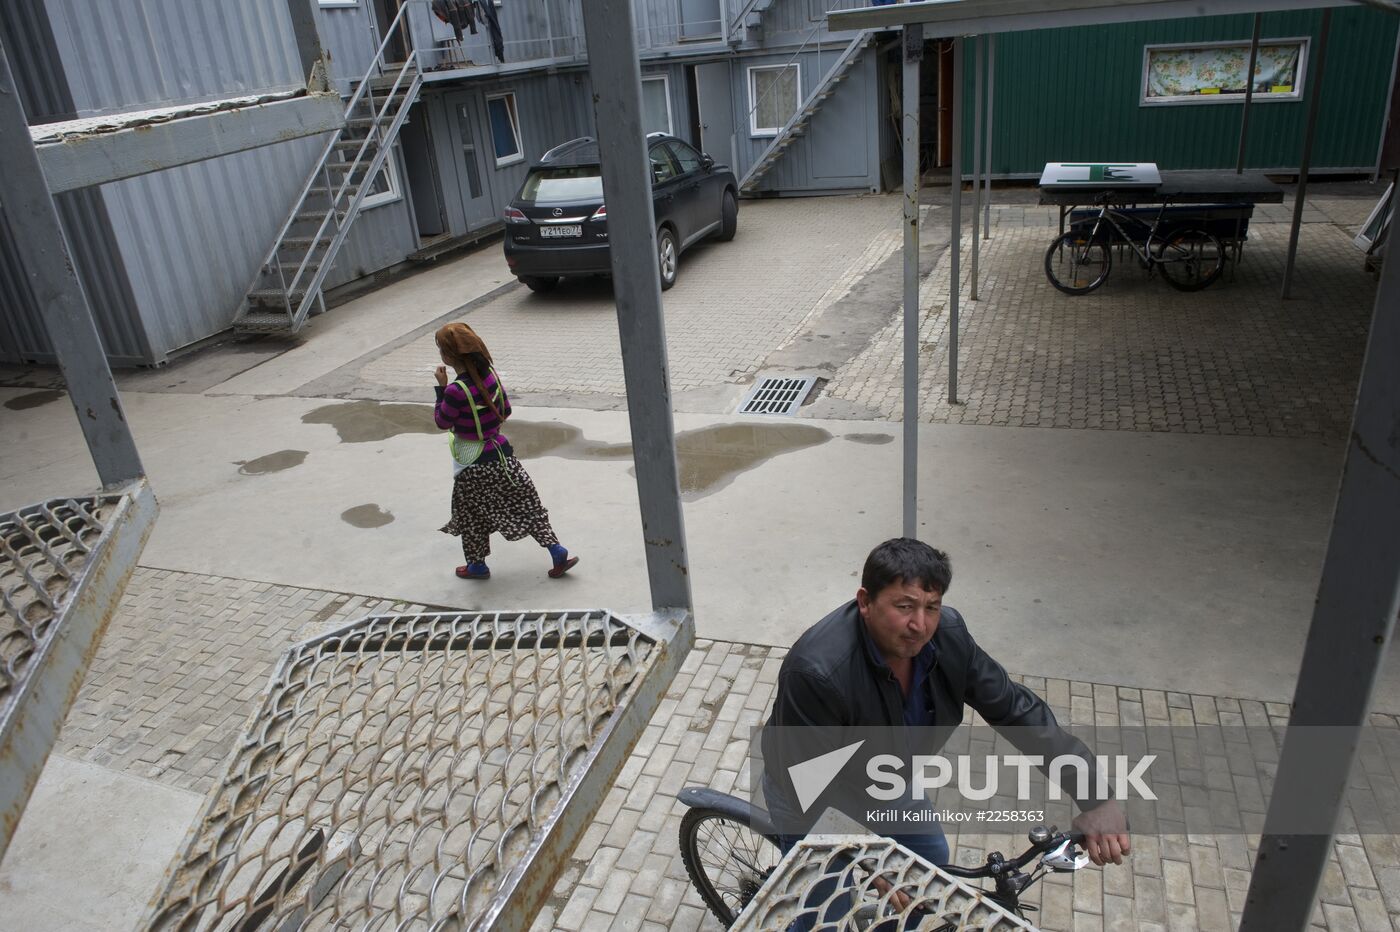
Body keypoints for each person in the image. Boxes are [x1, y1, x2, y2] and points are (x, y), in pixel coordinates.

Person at [760, 538, 1129, 903]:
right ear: (865, 602)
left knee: (930, 869)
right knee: (827, 904)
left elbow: (1016, 710)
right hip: (811, 798)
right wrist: (870, 860)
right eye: (904, 606)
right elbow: (806, 785)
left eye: (931, 607)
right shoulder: (817, 672)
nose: (919, 624)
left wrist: (1097, 798)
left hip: (885, 779)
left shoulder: (948, 637)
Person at [433, 322, 578, 580]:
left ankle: (477, 565)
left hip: (472, 466)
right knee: (528, 506)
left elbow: (442, 421)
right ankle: (557, 550)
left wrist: (441, 390)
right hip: (503, 458)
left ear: (448, 355)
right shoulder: (490, 374)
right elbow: (506, 410)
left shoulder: (455, 391)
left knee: (472, 515)